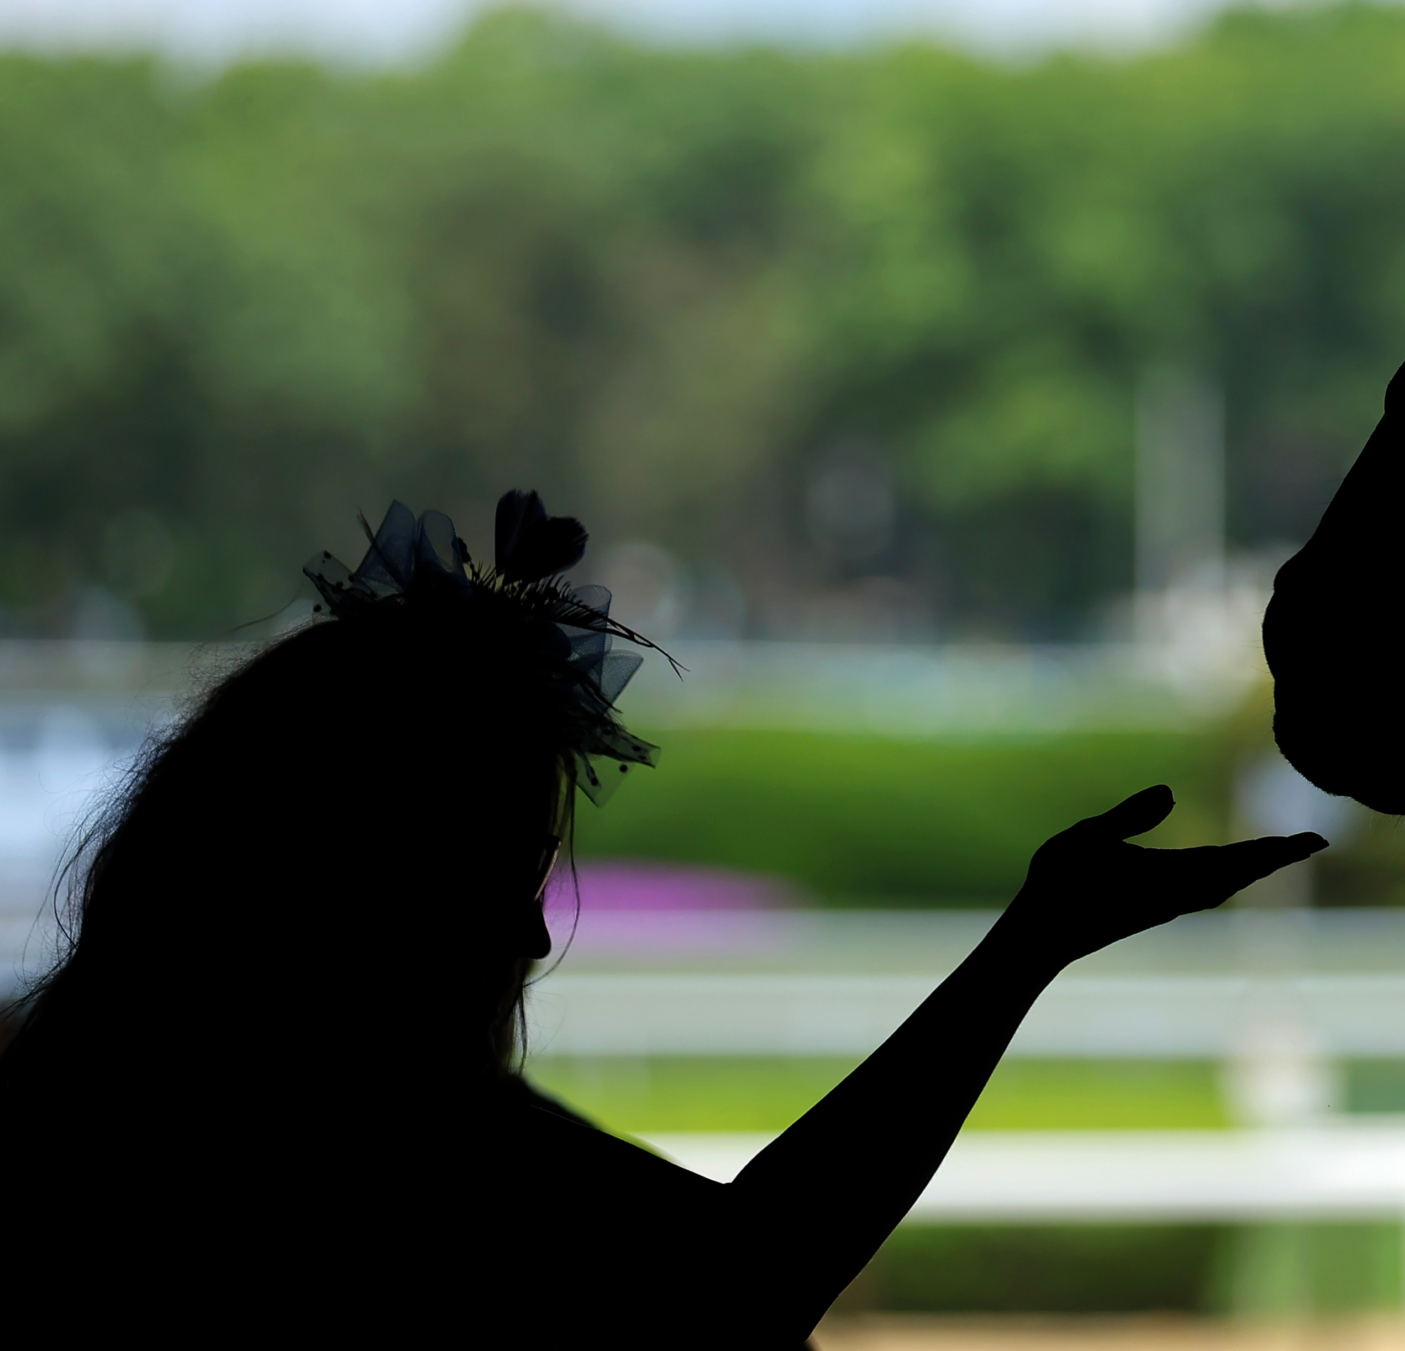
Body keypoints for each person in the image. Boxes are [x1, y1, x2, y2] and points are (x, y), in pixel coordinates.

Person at [0, 491, 1322, 1347]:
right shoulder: (383, 1129)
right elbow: (742, 1280)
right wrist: (1030, 946)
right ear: (355, 885)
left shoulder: (96, 1093)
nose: (529, 940)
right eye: (491, 880)